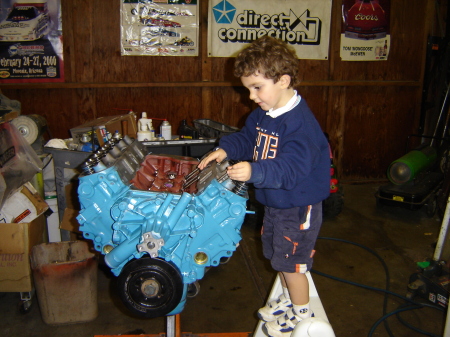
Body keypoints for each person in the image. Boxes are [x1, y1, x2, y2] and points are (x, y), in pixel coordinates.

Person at [197, 35, 330, 337]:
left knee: (292, 263)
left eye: (257, 88)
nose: (252, 97)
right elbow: (247, 137)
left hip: (297, 205)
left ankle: (301, 316)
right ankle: (286, 301)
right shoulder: (264, 115)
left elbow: (291, 168)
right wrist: (226, 149)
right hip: (275, 202)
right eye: (248, 89)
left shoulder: (300, 126)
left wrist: (255, 171)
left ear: (283, 81)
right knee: (275, 255)